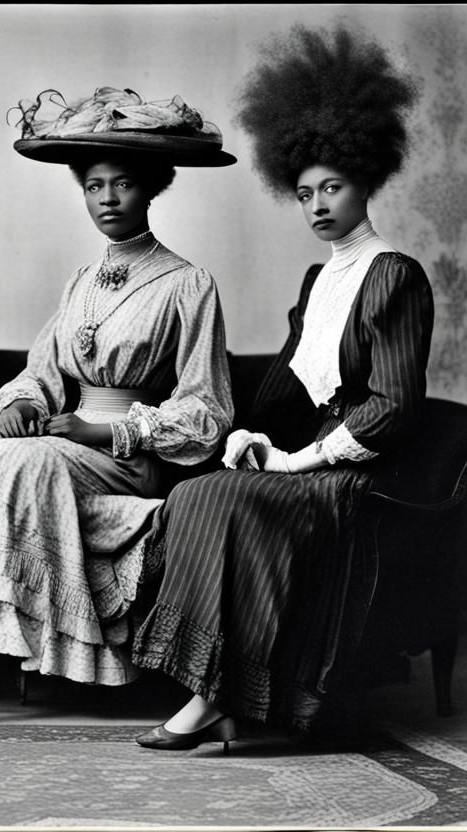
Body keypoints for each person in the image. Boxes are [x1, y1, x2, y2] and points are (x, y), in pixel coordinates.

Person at [0, 87, 236, 724]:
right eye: (94, 187)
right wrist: (19, 403)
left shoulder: (188, 283)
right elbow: (41, 372)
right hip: (65, 450)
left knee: (11, 464)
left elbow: (207, 411)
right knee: (0, 450)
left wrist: (101, 431)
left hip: (129, 455)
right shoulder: (80, 281)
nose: (108, 200)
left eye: (123, 184)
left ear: (151, 190)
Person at [131, 25, 434, 751]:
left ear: (366, 181)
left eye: (333, 188)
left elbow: (392, 407)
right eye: (304, 194)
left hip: (360, 474)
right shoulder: (318, 279)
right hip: (312, 458)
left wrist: (300, 462)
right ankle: (217, 690)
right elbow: (285, 389)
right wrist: (250, 433)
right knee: (199, 490)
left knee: (235, 501)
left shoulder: (394, 274)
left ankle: (217, 699)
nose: (319, 205)